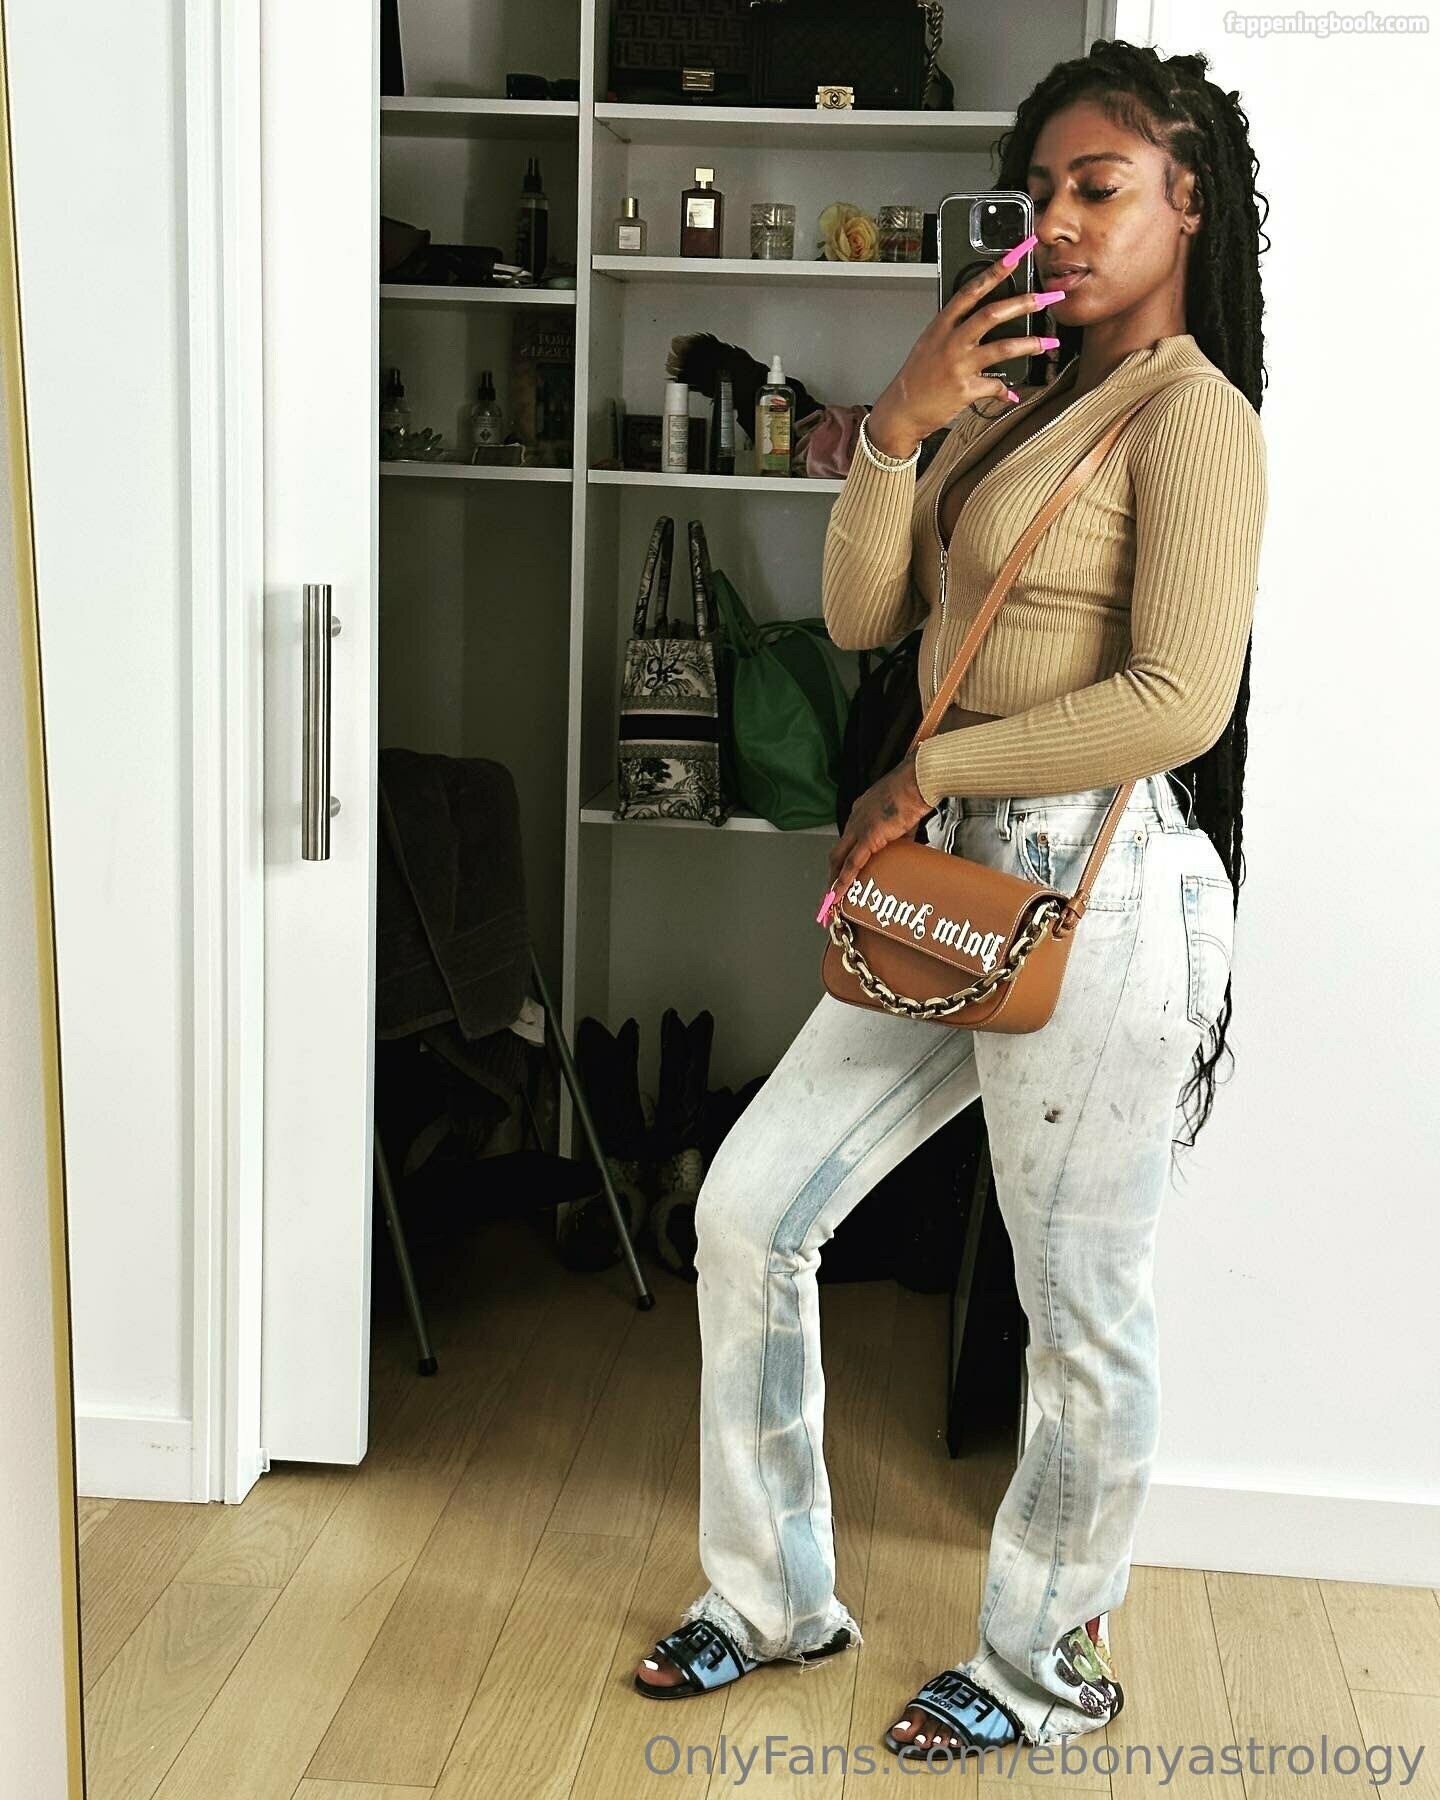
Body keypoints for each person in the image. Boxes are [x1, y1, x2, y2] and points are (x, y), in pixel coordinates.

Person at [631, 37, 1269, 1757]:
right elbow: (863, 620)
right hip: (952, 884)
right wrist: (900, 429)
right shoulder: (1012, 405)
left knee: (1080, 1305)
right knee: (749, 1214)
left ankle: (1046, 1662)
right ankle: (774, 1599)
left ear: (1188, 205)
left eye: (1101, 188)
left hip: (1097, 888)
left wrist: (933, 769)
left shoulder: (1197, 420)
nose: (1059, 221)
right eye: (1040, 190)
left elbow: (1179, 702)